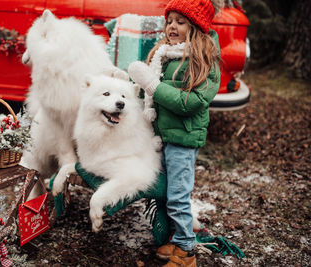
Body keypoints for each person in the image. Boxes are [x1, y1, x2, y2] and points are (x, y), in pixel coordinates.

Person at [128, 0, 221, 266]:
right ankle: (177, 241)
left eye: (180, 22)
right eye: (169, 21)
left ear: (195, 28)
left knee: (179, 197)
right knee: (168, 194)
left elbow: (190, 102)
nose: (172, 26)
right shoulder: (165, 54)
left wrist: (153, 85)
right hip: (164, 137)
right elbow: (153, 96)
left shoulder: (202, 59)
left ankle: (187, 252)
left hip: (183, 138)